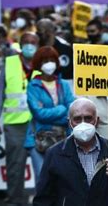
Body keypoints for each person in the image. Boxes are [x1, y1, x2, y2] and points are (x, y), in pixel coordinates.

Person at [34, 98, 108, 205]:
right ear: (70, 122)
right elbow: (43, 198)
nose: (83, 124)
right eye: (77, 119)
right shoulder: (55, 153)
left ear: (97, 121)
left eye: (88, 118)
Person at [0, 32, 38, 205]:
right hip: (15, 125)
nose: (29, 45)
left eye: (33, 42)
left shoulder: (43, 63)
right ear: (20, 44)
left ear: (38, 45)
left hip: (39, 124)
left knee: (43, 165)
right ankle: (15, 200)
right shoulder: (9, 63)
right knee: (15, 166)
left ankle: (44, 200)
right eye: (26, 42)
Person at [24, 46, 75, 178]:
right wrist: (62, 109)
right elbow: (39, 114)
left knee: (61, 180)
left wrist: (58, 113)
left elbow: (71, 112)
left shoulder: (63, 84)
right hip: (38, 141)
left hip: (62, 140)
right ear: (38, 63)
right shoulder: (33, 86)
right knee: (42, 180)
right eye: (45, 60)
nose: (49, 63)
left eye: (51, 60)